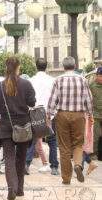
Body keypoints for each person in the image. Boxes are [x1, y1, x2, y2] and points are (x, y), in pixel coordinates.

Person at [0, 57, 36, 200]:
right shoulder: (26, 84)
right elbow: (32, 102)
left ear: (6, 68)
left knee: (9, 158)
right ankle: (20, 190)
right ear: (18, 68)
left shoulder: (0, 86)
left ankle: (12, 187)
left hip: (6, 126)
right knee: (21, 158)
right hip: (24, 125)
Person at [47, 57, 93, 185]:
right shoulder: (83, 80)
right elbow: (89, 100)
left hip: (62, 115)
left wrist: (48, 115)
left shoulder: (58, 80)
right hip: (79, 115)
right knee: (78, 144)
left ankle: (66, 178)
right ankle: (78, 164)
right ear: (75, 65)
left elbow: (52, 100)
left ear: (63, 66)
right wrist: (90, 114)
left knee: (64, 147)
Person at [26, 58, 59, 176]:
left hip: (34, 112)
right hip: (49, 113)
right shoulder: (53, 80)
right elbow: (57, 98)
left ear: (36, 66)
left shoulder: (31, 80)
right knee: (52, 140)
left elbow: (28, 98)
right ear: (47, 67)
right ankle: (54, 166)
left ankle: (26, 164)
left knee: (32, 139)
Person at [90, 66, 102, 160]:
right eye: (99, 76)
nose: (100, 78)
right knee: (96, 135)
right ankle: (93, 153)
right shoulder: (91, 86)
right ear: (96, 76)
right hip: (96, 114)